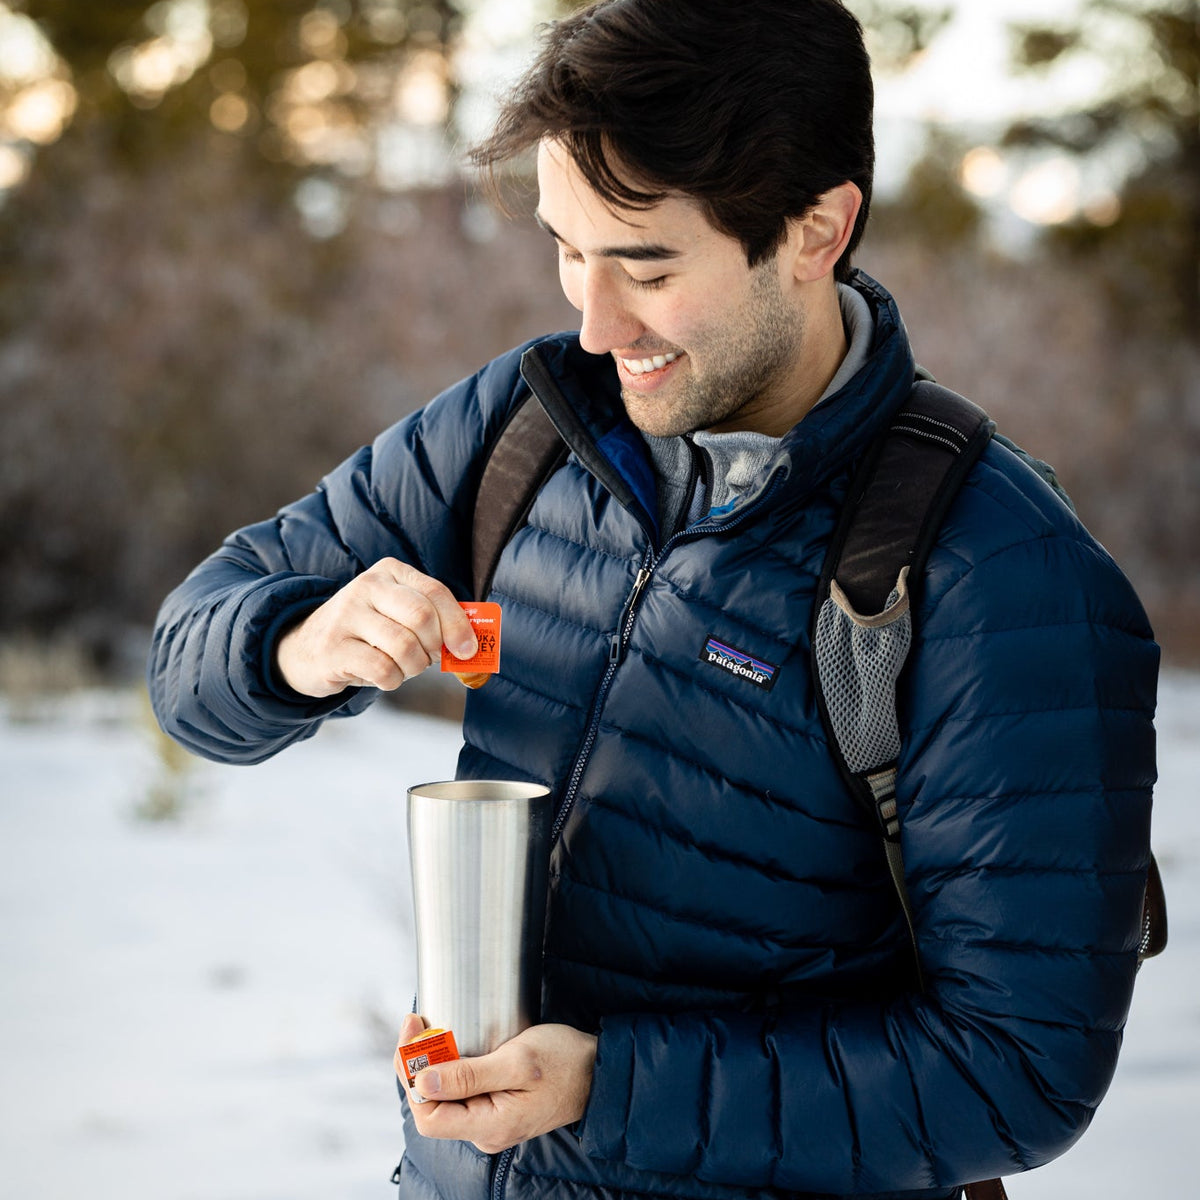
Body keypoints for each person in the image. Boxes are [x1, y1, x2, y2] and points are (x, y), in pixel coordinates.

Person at [147, 1, 1160, 1198]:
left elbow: (1016, 1073)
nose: (593, 320)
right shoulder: (524, 422)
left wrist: (607, 1090)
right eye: (566, 250)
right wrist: (294, 647)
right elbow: (189, 660)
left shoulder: (998, 576)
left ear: (816, 230)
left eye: (647, 266)